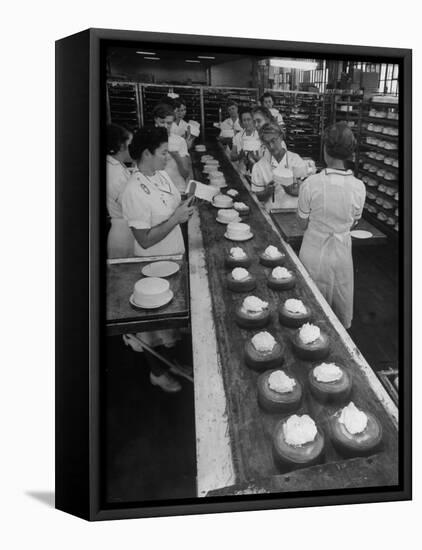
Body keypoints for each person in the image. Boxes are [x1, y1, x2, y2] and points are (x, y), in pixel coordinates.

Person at [121, 126, 195, 392]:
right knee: (152, 326)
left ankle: (169, 363)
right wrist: (176, 218)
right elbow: (144, 239)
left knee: (168, 325)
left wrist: (187, 205)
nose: (168, 157)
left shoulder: (162, 175)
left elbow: (173, 204)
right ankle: (157, 373)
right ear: (146, 153)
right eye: (163, 152)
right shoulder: (133, 190)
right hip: (153, 261)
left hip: (174, 255)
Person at [297, 122, 366, 329]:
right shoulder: (358, 187)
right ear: (349, 153)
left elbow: (302, 222)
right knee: (339, 297)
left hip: (313, 250)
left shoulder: (310, 184)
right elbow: (354, 222)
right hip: (341, 253)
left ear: (325, 150)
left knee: (309, 308)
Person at [251, 122, 307, 210]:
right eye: (267, 143)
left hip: (294, 212)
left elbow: (305, 192)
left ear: (281, 137)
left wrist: (290, 190)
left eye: (273, 140)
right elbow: (259, 196)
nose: (271, 146)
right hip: (271, 214)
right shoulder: (259, 166)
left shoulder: (295, 160)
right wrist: (267, 192)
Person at [106, 124, 134, 258]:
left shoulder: (116, 164)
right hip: (123, 235)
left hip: (126, 228)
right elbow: (133, 206)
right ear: (122, 146)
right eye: (131, 144)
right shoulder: (115, 175)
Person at [153, 102, 192, 193]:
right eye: (162, 122)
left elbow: (185, 174)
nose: (166, 126)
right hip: (156, 191)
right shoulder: (148, 140)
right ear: (155, 120)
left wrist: (176, 156)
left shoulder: (179, 141)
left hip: (177, 189)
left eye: (169, 123)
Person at [230, 107, 260, 174]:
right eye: (244, 120)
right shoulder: (238, 136)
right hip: (242, 172)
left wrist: (254, 157)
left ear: (253, 120)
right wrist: (240, 156)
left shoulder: (260, 136)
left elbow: (266, 161)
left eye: (249, 119)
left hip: (258, 173)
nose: (246, 122)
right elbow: (232, 157)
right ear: (241, 122)